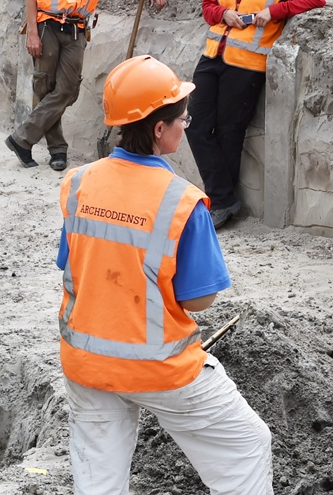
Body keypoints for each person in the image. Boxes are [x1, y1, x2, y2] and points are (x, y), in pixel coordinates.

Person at [56, 55, 273, 494]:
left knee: (99, 480)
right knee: (247, 445)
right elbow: (196, 300)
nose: (185, 123)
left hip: (86, 361)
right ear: (159, 129)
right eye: (182, 117)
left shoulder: (79, 183)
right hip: (159, 368)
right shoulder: (182, 201)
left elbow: (74, 264)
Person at [6, 0, 167, 172]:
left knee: (68, 90)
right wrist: (32, 31)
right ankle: (57, 151)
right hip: (46, 25)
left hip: (77, 28)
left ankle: (22, 138)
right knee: (46, 88)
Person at [186, 0, 325, 229]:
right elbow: (208, 6)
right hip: (213, 57)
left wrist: (275, 11)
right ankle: (223, 199)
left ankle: (220, 202)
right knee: (193, 124)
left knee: (230, 133)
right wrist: (223, 14)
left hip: (246, 65)